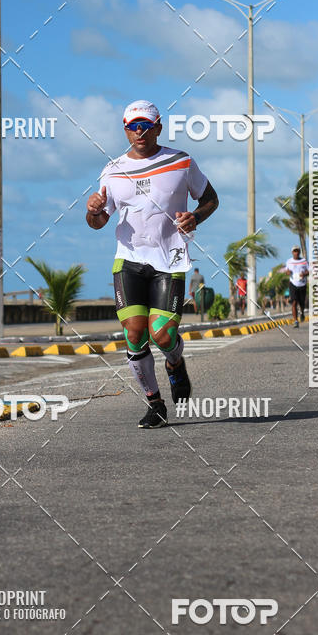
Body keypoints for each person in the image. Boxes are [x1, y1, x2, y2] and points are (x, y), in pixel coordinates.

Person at [86, 100, 218, 429]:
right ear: (125, 130)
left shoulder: (181, 161)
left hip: (170, 258)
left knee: (161, 334)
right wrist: (93, 210)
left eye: (146, 125)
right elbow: (99, 221)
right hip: (129, 259)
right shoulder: (112, 170)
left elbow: (210, 198)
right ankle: (155, 403)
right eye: (132, 126)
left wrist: (195, 217)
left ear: (158, 127)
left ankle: (175, 363)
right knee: (134, 333)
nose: (139, 131)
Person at [285, 245, 309, 327]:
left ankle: (302, 312)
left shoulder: (304, 261)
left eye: (297, 251)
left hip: (302, 284)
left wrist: (304, 274)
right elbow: (287, 271)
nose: (296, 253)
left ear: (299, 252)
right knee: (294, 302)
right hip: (293, 284)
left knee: (302, 302)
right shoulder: (289, 261)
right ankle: (295, 320)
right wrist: (288, 272)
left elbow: (308, 271)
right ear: (292, 252)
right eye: (294, 251)